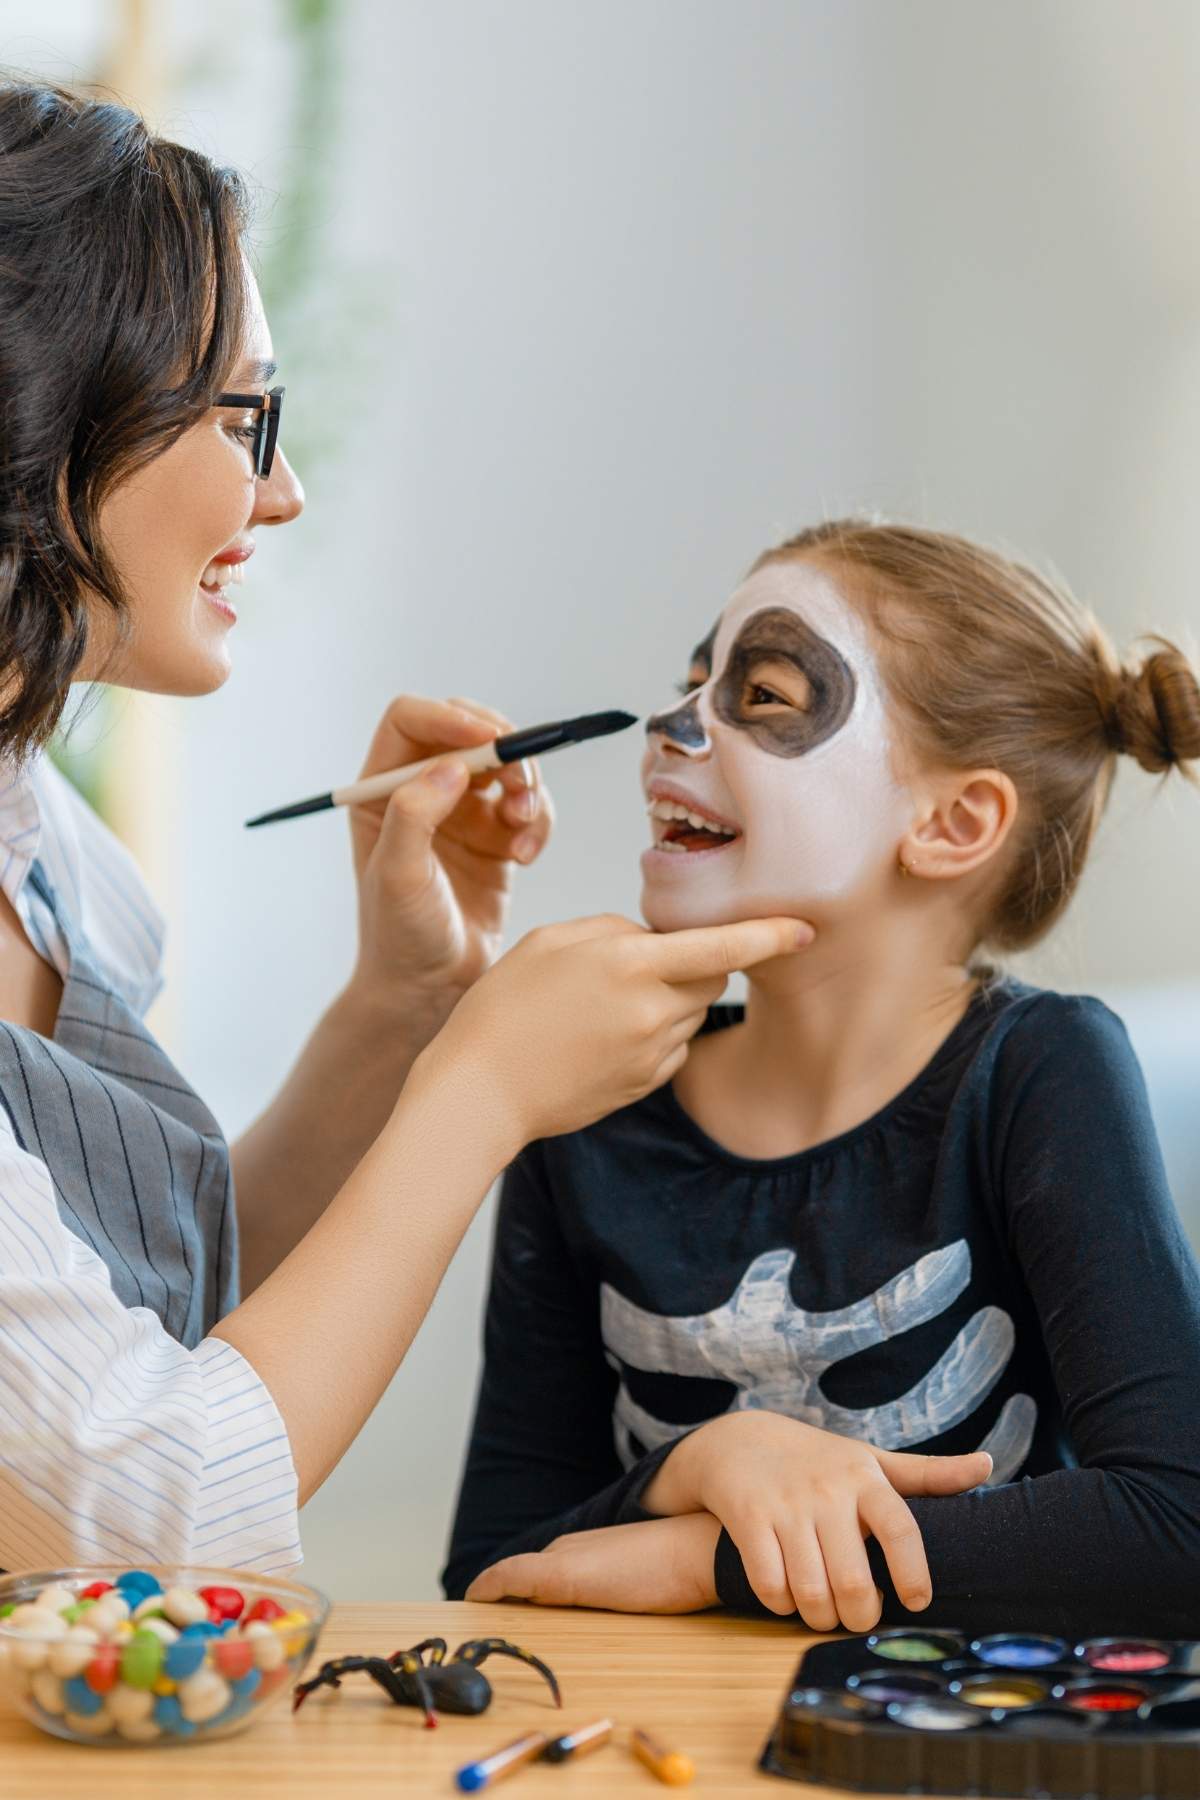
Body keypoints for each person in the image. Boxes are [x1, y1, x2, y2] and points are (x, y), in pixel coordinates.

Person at [0, 78, 810, 1574]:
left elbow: (104, 1345)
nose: (284, 490)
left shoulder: (43, 843)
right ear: (44, 413)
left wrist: (406, 1015)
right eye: (247, 417)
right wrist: (479, 1094)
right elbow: (137, 1509)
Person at [447, 518, 1200, 1638]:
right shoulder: (589, 1103)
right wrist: (702, 1460)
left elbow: (1175, 1535)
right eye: (690, 684)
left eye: (761, 696)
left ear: (952, 822)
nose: (671, 726)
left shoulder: (1042, 1071)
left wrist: (712, 1559)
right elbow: (496, 1573)